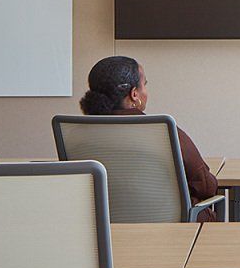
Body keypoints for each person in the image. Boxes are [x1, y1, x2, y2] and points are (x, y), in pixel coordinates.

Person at [79, 55, 220, 219]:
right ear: (134, 94)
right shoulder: (162, 133)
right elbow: (205, 186)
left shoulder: (77, 133)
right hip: (170, 233)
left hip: (102, 233)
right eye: (144, 85)